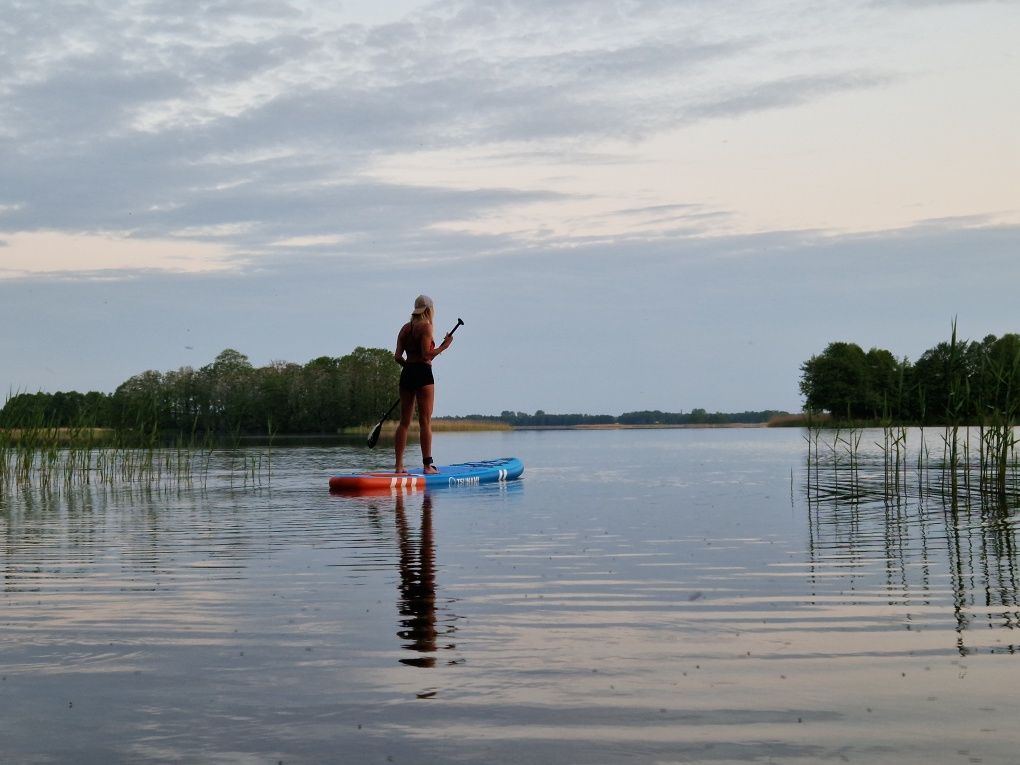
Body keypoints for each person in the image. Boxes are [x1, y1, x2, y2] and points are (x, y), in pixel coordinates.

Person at [393, 295, 453, 474]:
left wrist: (410, 368)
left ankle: (398, 466)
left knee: (404, 422)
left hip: (407, 373)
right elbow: (427, 355)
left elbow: (397, 357)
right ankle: (427, 466)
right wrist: (445, 346)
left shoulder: (405, 328)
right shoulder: (426, 327)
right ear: (428, 310)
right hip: (423, 374)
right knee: (425, 421)